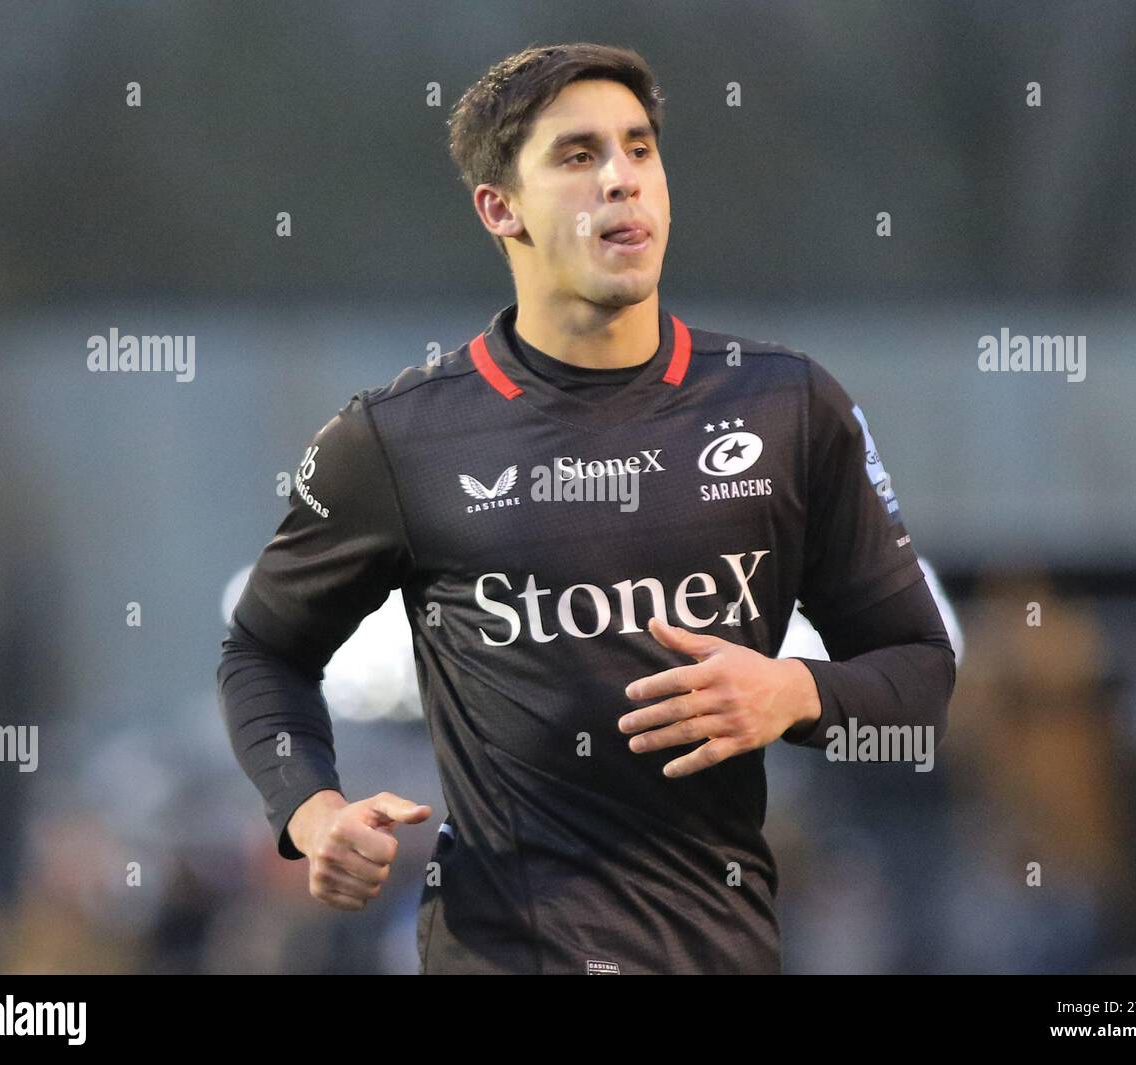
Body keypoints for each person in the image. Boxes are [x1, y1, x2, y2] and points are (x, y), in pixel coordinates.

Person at [216, 42, 955, 975]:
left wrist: (794, 693)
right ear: (500, 208)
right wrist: (310, 811)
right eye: (578, 156)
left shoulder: (785, 407)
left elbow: (921, 680)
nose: (621, 180)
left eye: (640, 149)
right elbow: (263, 650)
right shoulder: (399, 440)